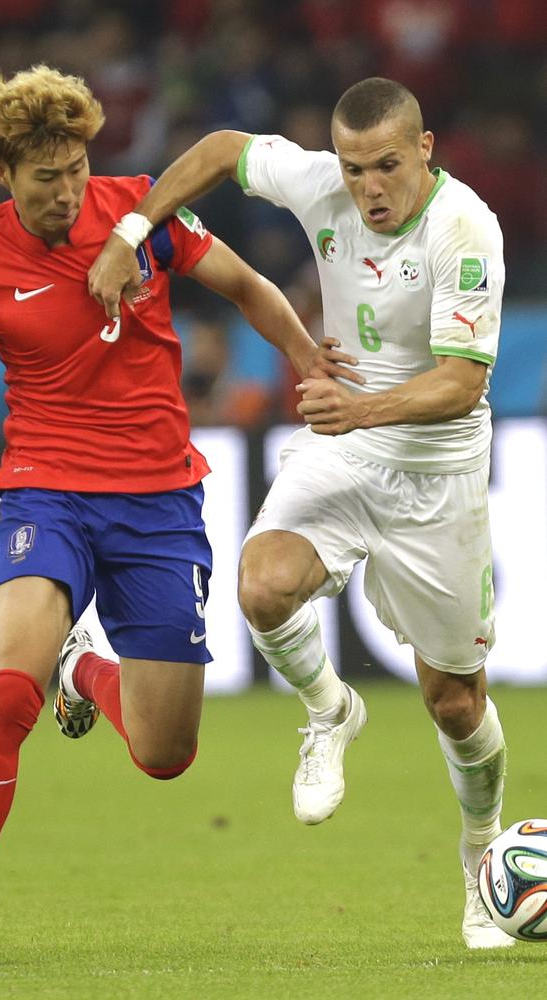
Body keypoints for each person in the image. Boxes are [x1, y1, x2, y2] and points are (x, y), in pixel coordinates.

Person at [0, 64, 359, 969]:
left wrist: (311, 362)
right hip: (46, 494)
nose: (68, 191)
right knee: (6, 693)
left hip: (159, 504)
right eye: (45, 178)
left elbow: (250, 288)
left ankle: (87, 672)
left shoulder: (142, 212)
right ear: (1, 171)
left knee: (164, 752)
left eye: (75, 168)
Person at [86, 77, 512, 950]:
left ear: (424, 151)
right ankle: (328, 710)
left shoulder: (465, 229)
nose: (369, 188)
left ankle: (479, 867)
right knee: (263, 586)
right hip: (344, 447)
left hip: (436, 471)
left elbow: (464, 382)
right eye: (355, 169)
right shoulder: (320, 181)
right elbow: (214, 151)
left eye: (388, 166)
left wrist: (359, 409)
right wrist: (134, 229)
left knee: (456, 704)